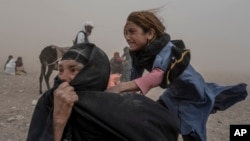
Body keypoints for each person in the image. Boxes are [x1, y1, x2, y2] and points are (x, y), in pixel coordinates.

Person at [105, 9, 248, 141]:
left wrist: (121, 87)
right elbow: (135, 81)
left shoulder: (166, 49)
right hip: (173, 95)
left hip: (193, 97)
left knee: (191, 133)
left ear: (150, 33)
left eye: (132, 32)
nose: (127, 37)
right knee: (154, 118)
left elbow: (157, 76)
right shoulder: (139, 54)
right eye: (125, 33)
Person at [27, 43, 179, 141]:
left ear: (93, 73)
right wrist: (58, 122)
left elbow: (163, 125)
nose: (63, 78)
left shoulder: (117, 108)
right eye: (60, 70)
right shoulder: (49, 102)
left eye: (73, 69)